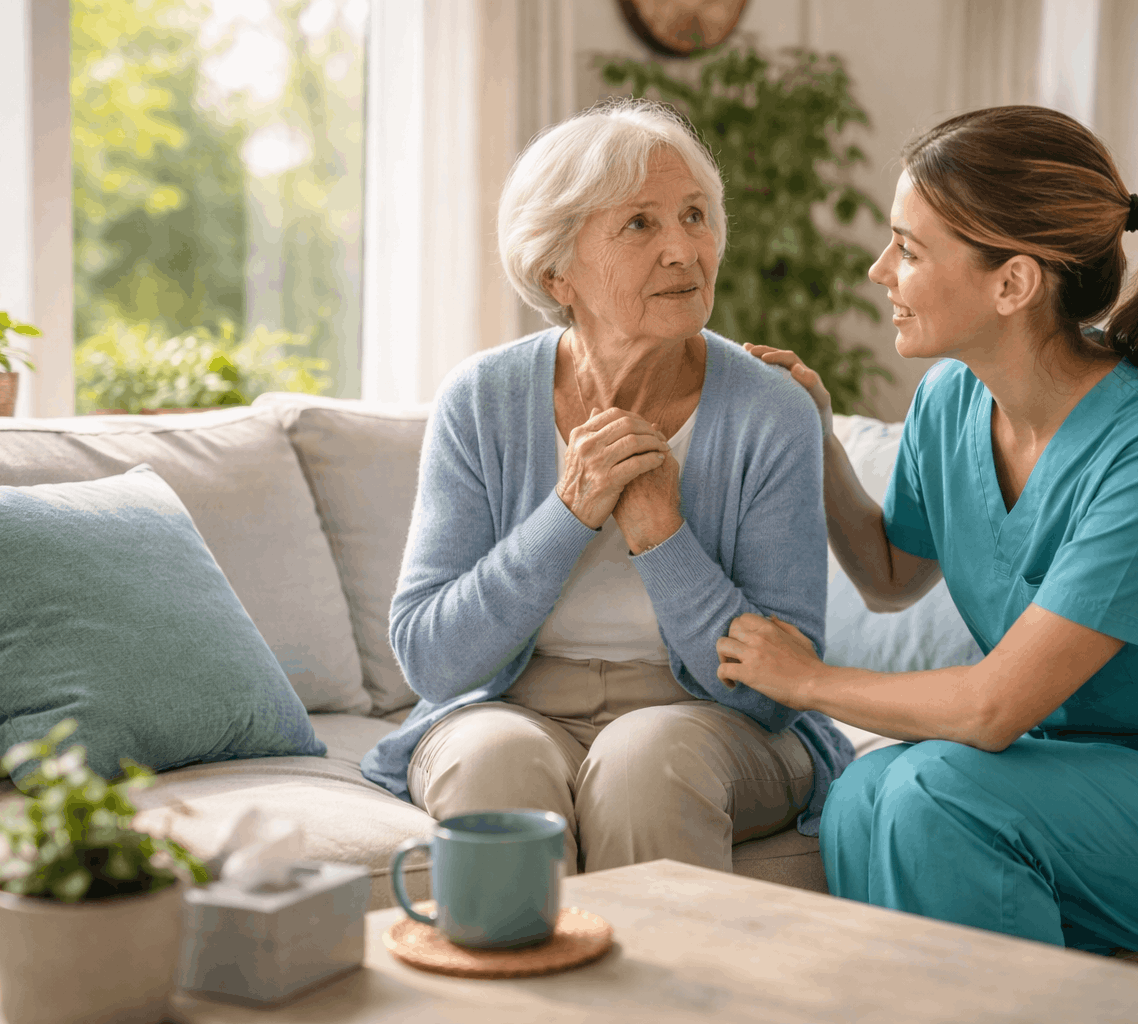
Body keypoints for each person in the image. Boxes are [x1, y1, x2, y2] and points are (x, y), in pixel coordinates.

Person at [718, 105, 1138, 960]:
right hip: (1076, 780)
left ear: (1013, 284)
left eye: (909, 249)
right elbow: (887, 575)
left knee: (932, 794)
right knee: (866, 789)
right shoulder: (950, 401)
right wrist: (819, 435)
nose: (880, 271)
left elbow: (992, 709)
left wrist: (804, 680)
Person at [361, 98, 852, 874]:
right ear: (557, 269)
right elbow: (431, 658)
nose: (684, 250)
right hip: (512, 707)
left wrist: (664, 538)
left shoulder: (770, 409)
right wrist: (567, 514)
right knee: (494, 762)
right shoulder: (481, 398)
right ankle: (517, 995)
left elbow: (779, 690)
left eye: (695, 215)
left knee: (645, 761)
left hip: (710, 722)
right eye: (640, 225)